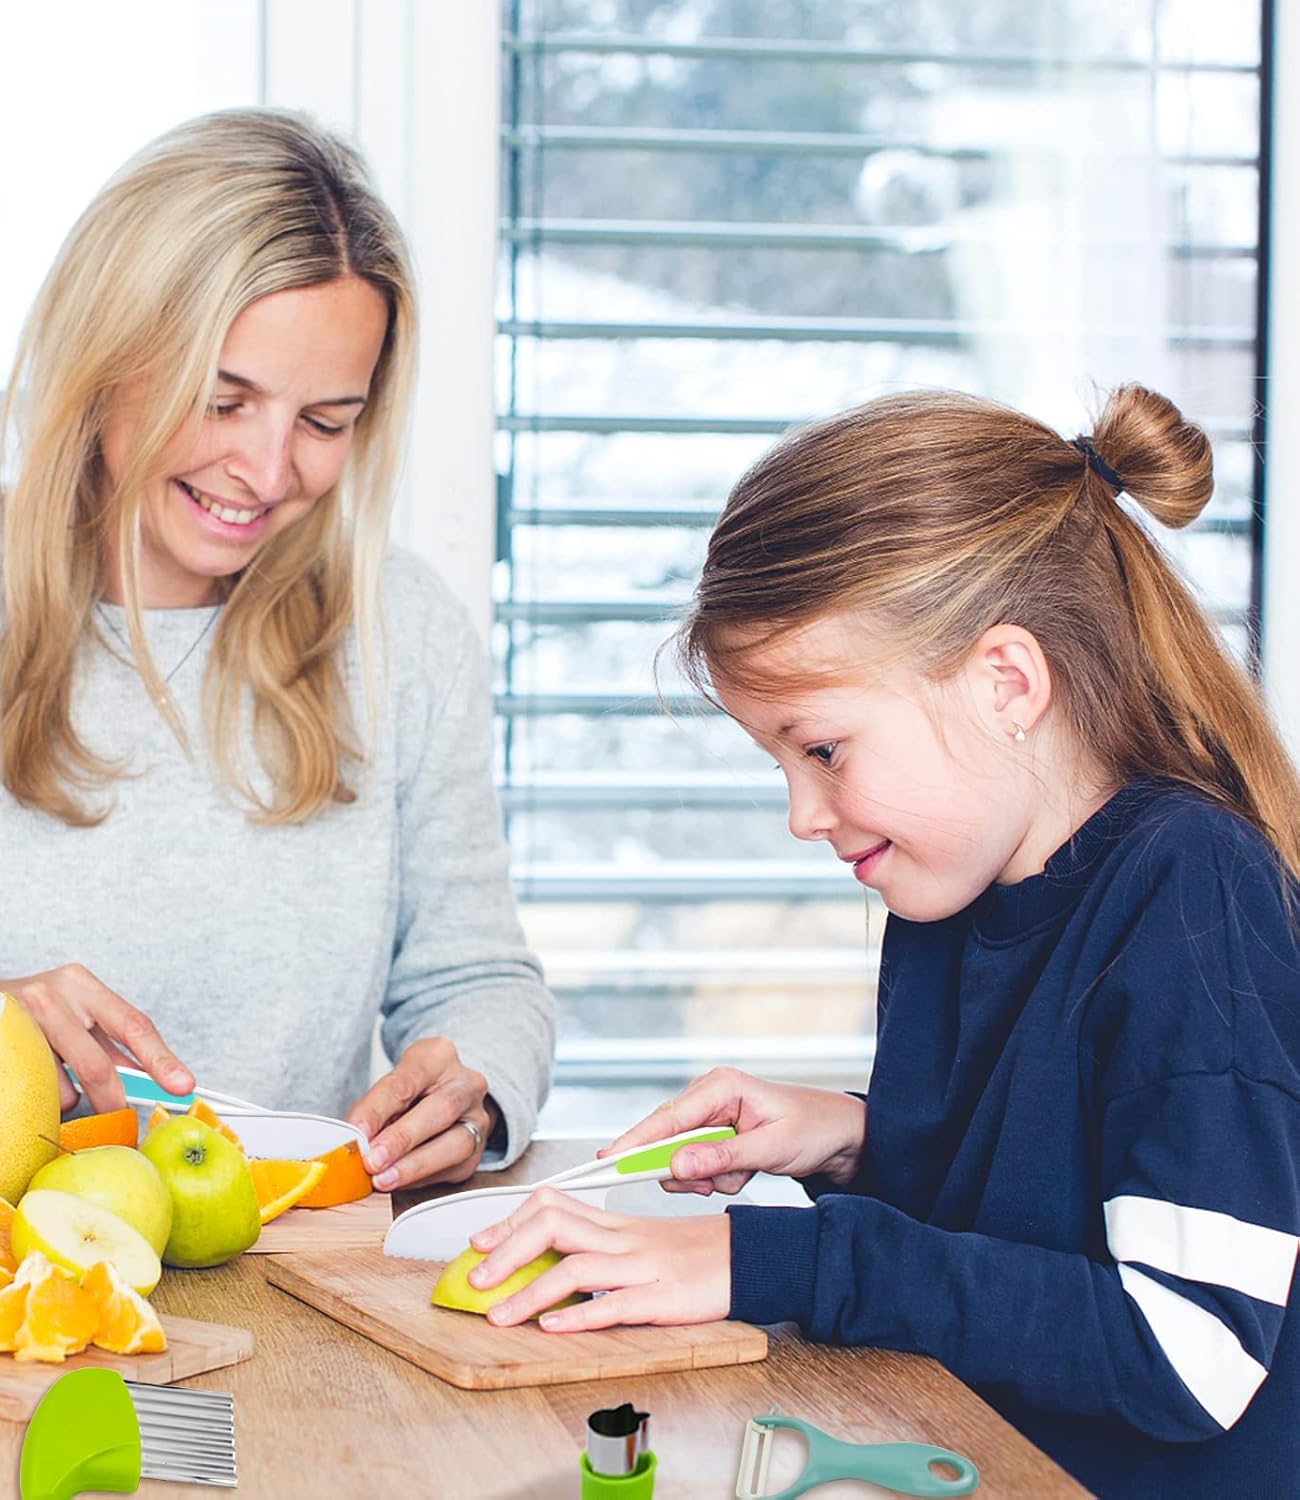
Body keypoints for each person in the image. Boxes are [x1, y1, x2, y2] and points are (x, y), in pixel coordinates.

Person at [466, 385, 1300, 1495]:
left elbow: (1189, 1351)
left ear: (1008, 682)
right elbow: (1029, 1224)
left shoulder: (1194, 892)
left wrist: (776, 1258)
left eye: (822, 751)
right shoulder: (950, 886)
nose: (804, 816)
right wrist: (854, 1139)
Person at [0, 108, 553, 1190]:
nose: (265, 466)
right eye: (223, 399)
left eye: (325, 421)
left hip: (289, 1274)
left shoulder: (405, 629)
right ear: (109, 361)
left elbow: (478, 977)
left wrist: (477, 1087)